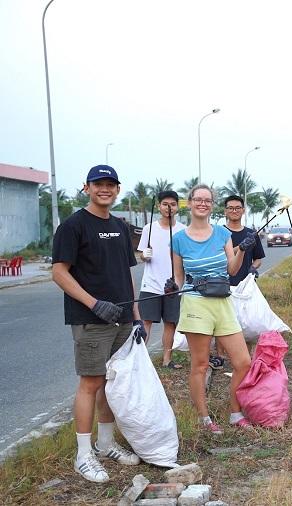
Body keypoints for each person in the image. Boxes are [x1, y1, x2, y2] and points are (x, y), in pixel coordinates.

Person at [52, 165, 145, 483]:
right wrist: (93, 303)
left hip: (121, 319)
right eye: (98, 184)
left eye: (110, 184)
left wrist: (135, 317)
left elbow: (127, 273)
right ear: (87, 188)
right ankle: (83, 454)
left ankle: (106, 443)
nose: (104, 189)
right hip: (91, 319)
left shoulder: (120, 227)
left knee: (112, 383)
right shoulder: (74, 225)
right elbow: (59, 272)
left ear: (117, 190)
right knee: (91, 384)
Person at [169, 184, 254, 433]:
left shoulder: (222, 234)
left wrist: (242, 250)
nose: (203, 203)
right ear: (190, 202)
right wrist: (170, 286)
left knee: (243, 362)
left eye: (207, 200)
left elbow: (232, 270)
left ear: (212, 205)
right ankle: (204, 419)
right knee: (200, 364)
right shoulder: (179, 239)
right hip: (195, 302)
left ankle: (235, 413)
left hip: (223, 301)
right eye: (198, 199)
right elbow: (177, 278)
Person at [208, 195, 267, 367]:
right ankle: (220, 356)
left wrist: (253, 268)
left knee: (247, 322)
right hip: (223, 284)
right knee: (222, 322)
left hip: (245, 286)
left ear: (243, 210)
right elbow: (217, 256)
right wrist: (239, 247)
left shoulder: (251, 233)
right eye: (231, 208)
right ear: (225, 211)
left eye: (238, 208)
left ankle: (246, 357)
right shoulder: (218, 233)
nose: (234, 211)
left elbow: (258, 259)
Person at [138, 190, 186, 369]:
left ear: (177, 207)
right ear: (159, 206)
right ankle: (140, 362)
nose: (169, 208)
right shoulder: (148, 228)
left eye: (173, 204)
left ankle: (167, 359)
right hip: (150, 284)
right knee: (145, 322)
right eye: (165, 204)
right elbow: (142, 254)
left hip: (174, 286)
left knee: (170, 323)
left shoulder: (182, 230)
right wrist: (145, 255)